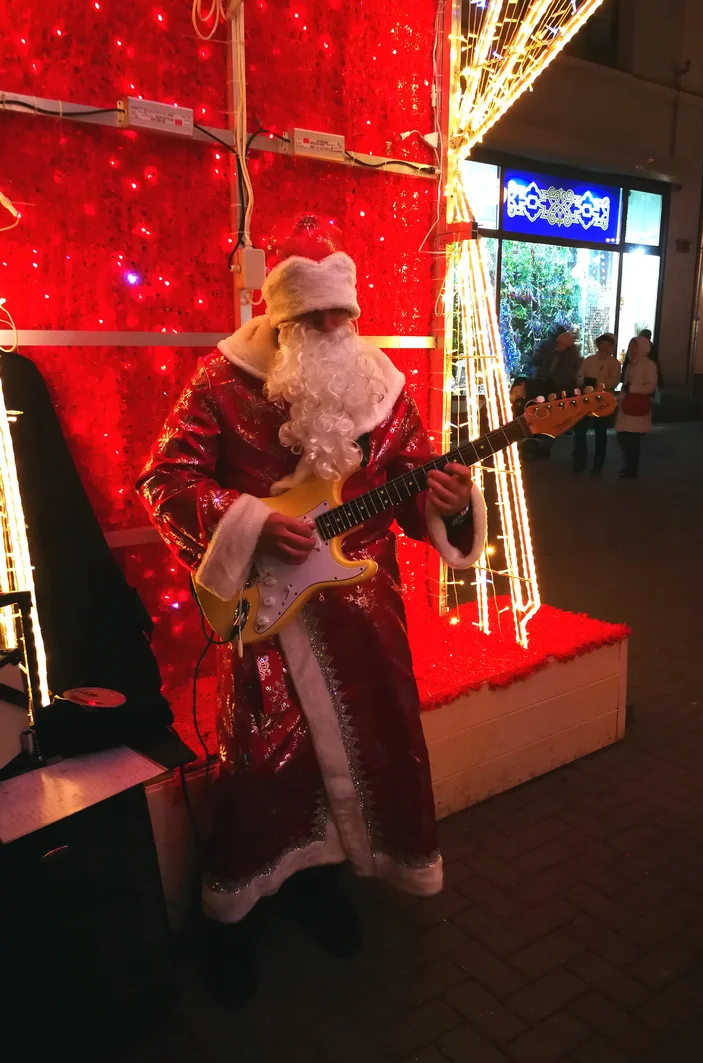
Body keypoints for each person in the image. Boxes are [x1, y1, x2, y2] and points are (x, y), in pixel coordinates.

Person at [137, 215, 486, 1003]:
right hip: (270, 615)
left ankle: (321, 884)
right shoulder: (222, 380)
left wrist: (448, 500)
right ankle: (234, 916)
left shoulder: (383, 385)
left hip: (366, 617)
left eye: (341, 314)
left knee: (368, 752)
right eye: (314, 316)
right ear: (282, 315)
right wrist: (252, 522)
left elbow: (410, 489)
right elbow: (164, 480)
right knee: (260, 767)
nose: (332, 330)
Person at [525, 327, 580, 458]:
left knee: (551, 419)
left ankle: (545, 448)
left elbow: (570, 372)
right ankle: (539, 445)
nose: (559, 345)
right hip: (545, 385)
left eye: (562, 344)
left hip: (557, 389)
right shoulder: (550, 348)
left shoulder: (570, 354)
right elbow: (537, 361)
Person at [573, 333, 621, 475]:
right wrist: (585, 381)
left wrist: (598, 382)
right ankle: (580, 461)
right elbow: (579, 377)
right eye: (602, 343)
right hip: (587, 400)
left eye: (609, 344)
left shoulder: (614, 363)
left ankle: (598, 465)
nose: (605, 347)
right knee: (580, 431)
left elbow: (615, 381)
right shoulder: (589, 360)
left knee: (601, 432)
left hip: (604, 401)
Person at [614, 335, 658, 478]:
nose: (631, 349)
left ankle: (632, 469)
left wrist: (633, 389)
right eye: (630, 346)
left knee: (632, 439)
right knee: (623, 436)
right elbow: (626, 387)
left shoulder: (648, 365)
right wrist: (618, 398)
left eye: (635, 346)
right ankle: (629, 466)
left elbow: (651, 386)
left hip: (637, 406)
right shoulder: (630, 365)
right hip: (627, 405)